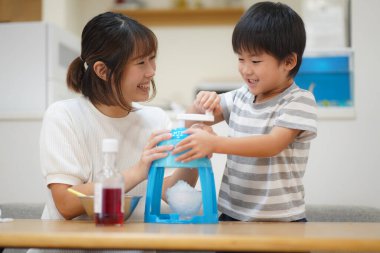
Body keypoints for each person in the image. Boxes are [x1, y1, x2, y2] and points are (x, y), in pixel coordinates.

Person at [38, 12, 198, 223]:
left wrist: (196, 155)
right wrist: (137, 172)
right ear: (102, 70)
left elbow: (168, 192)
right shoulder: (64, 116)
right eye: (141, 62)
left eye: (152, 59)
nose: (151, 71)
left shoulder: (156, 119)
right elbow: (66, 202)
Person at [173, 2, 317, 222]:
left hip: (283, 220)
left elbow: (272, 144)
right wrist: (199, 104)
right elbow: (193, 122)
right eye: (241, 59)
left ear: (289, 61)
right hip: (232, 215)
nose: (245, 69)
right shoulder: (240, 97)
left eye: (256, 61)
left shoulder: (299, 101)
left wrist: (215, 143)